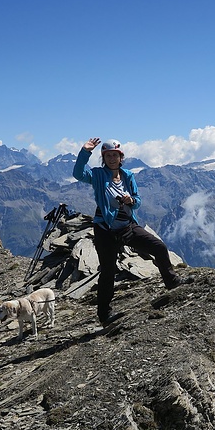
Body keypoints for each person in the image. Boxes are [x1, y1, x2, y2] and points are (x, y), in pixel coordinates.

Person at [73, 137, 193, 325]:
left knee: (159, 247)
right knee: (108, 271)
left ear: (121, 157)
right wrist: (84, 152)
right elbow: (78, 173)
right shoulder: (97, 175)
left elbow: (138, 201)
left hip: (127, 226)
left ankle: (171, 281)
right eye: (108, 155)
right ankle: (104, 316)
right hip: (105, 229)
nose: (112, 158)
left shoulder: (128, 175)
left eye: (115, 155)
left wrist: (131, 201)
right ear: (103, 158)